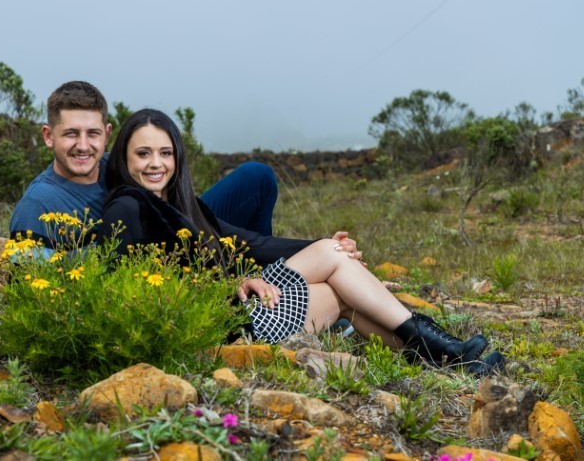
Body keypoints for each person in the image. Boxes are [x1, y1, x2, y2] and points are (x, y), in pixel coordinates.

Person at [95, 108, 505, 376]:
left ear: (177, 158)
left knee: (338, 281)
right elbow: (130, 287)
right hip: (217, 328)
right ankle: (446, 349)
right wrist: (228, 285)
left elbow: (252, 242)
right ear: (124, 159)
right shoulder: (127, 207)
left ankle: (447, 358)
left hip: (234, 313)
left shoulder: (184, 206)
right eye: (143, 154)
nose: (156, 163)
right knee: (337, 278)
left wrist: (325, 244)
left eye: (165, 153)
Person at [8, 81, 354, 253]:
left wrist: (319, 246)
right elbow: (31, 279)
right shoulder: (38, 206)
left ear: (108, 134)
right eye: (71, 134)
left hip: (175, 237)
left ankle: (274, 272)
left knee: (256, 178)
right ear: (48, 136)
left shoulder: (116, 167)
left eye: (93, 134)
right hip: (149, 271)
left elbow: (190, 216)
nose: (83, 146)